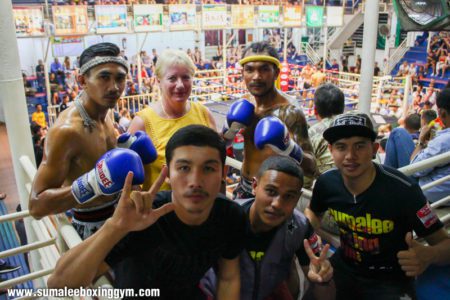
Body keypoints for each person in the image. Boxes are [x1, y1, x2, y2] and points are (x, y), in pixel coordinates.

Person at [47, 125, 247, 299]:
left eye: (209, 169)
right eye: (184, 168)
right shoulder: (141, 216)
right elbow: (58, 284)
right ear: (167, 174)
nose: (195, 181)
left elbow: (228, 278)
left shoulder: (230, 216)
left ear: (223, 173)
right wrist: (116, 226)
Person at [305, 112, 450, 299]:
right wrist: (307, 231)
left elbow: (445, 243)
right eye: (341, 147)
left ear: (374, 149)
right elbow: (313, 211)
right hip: (344, 266)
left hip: (390, 278)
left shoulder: (404, 190)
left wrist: (429, 255)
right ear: (331, 150)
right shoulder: (326, 183)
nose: (350, 156)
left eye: (359, 146)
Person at [29, 42, 156, 239]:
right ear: (82, 80)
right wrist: (93, 183)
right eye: (104, 77)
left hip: (121, 214)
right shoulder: (67, 131)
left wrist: (123, 148)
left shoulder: (105, 113)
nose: (114, 87)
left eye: (120, 78)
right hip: (91, 227)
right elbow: (36, 205)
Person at [202, 155, 334, 300]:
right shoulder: (224, 219)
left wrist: (323, 280)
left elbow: (324, 291)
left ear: (298, 198)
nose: (277, 204)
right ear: (255, 186)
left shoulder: (299, 227)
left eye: (289, 196)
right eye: (271, 191)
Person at [225, 41, 316, 199]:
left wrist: (289, 148)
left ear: (276, 73)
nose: (256, 76)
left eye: (264, 69)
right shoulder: (245, 104)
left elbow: (312, 168)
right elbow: (223, 144)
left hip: (273, 194)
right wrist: (228, 130)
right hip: (243, 187)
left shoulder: (289, 113)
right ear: (242, 74)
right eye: (250, 70)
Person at [128, 49, 216, 191]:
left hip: (202, 203)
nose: (180, 85)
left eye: (186, 77)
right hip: (161, 208)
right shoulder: (142, 122)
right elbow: (129, 179)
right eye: (172, 78)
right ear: (158, 81)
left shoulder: (204, 113)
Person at [411, 88, 450, 204]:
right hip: (442, 192)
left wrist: (421, 141)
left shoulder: (444, 141)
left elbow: (414, 170)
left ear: (441, 113)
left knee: (398, 134)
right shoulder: (442, 139)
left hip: (430, 195)